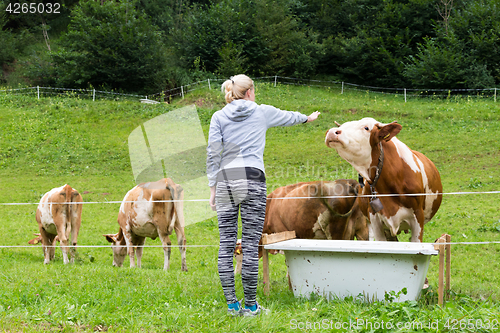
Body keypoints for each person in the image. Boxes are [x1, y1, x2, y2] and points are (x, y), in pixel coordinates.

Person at [206, 74, 320, 316]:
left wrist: (213, 189)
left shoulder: (218, 116)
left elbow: (213, 154)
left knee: (226, 245)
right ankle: (251, 306)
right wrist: (307, 118)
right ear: (249, 92)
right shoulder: (261, 111)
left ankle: (231, 306)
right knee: (249, 244)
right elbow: (288, 117)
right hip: (252, 178)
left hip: (226, 179)